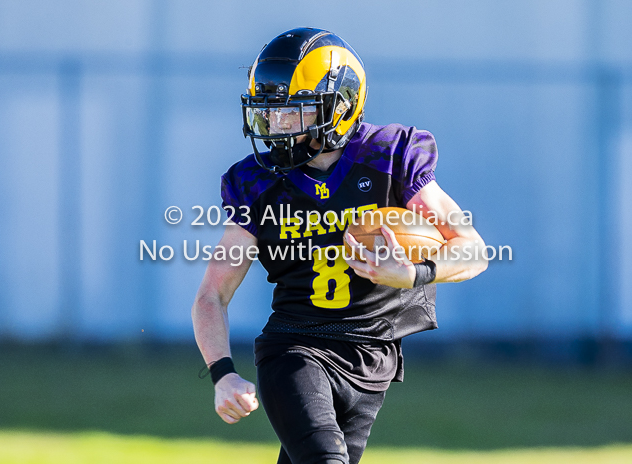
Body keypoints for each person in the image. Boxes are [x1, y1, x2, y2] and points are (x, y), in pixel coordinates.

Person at [192, 27, 488, 464]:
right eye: (271, 112)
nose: (277, 124)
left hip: (372, 357)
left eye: (293, 111)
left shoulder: (389, 158)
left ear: (340, 107)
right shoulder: (257, 182)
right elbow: (212, 294)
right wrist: (223, 373)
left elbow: (472, 248)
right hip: (296, 348)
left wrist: (413, 273)